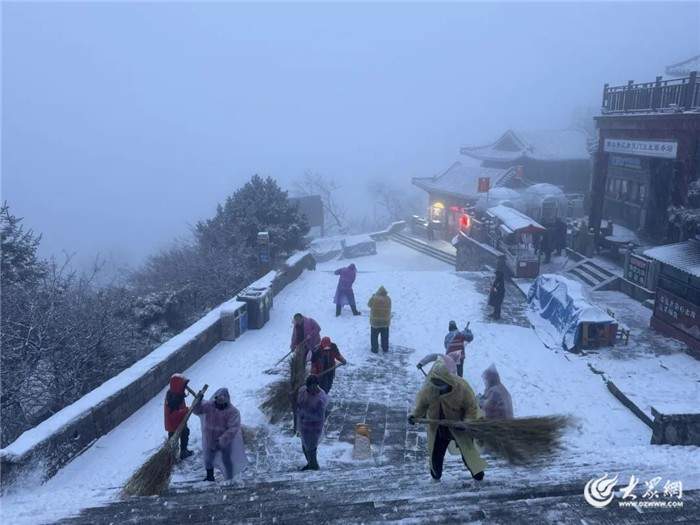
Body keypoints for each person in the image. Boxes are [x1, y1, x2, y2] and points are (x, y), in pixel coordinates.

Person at [408, 361, 487, 482]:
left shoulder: (461, 388)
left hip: (459, 425)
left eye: (440, 383)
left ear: (447, 380)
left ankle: (478, 476)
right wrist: (414, 415)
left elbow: (472, 407)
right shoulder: (429, 388)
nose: (437, 386)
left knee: (468, 454)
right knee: (436, 455)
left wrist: (466, 422)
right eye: (435, 382)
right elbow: (422, 404)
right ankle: (436, 476)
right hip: (438, 427)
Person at [193, 388, 248, 482]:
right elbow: (197, 411)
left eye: (222, 401)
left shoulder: (232, 412)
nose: (219, 403)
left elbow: (233, 429)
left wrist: (221, 440)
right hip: (210, 438)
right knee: (208, 459)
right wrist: (197, 402)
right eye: (218, 400)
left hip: (225, 441)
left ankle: (229, 477)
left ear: (227, 400)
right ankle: (210, 477)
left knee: (226, 459)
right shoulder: (209, 406)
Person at [296, 375, 329, 471]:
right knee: (304, 444)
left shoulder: (321, 398)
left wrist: (306, 414)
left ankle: (314, 465)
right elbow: (298, 404)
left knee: (312, 446)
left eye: (315, 387)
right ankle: (310, 463)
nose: (313, 389)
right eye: (311, 387)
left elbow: (319, 414)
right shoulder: (303, 391)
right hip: (303, 424)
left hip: (315, 426)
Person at [163, 373, 194, 460]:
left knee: (185, 433)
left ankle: (181, 452)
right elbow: (173, 414)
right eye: (183, 385)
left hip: (178, 422)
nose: (184, 387)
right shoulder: (173, 398)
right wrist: (185, 411)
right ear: (178, 386)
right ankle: (170, 457)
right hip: (174, 424)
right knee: (174, 439)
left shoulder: (175, 394)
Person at [368, 286, 391, 353]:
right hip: (385, 322)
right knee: (385, 337)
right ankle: (385, 348)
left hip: (375, 322)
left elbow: (369, 305)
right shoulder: (388, 299)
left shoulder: (374, 298)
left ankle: (374, 349)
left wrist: (372, 296)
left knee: (374, 337)